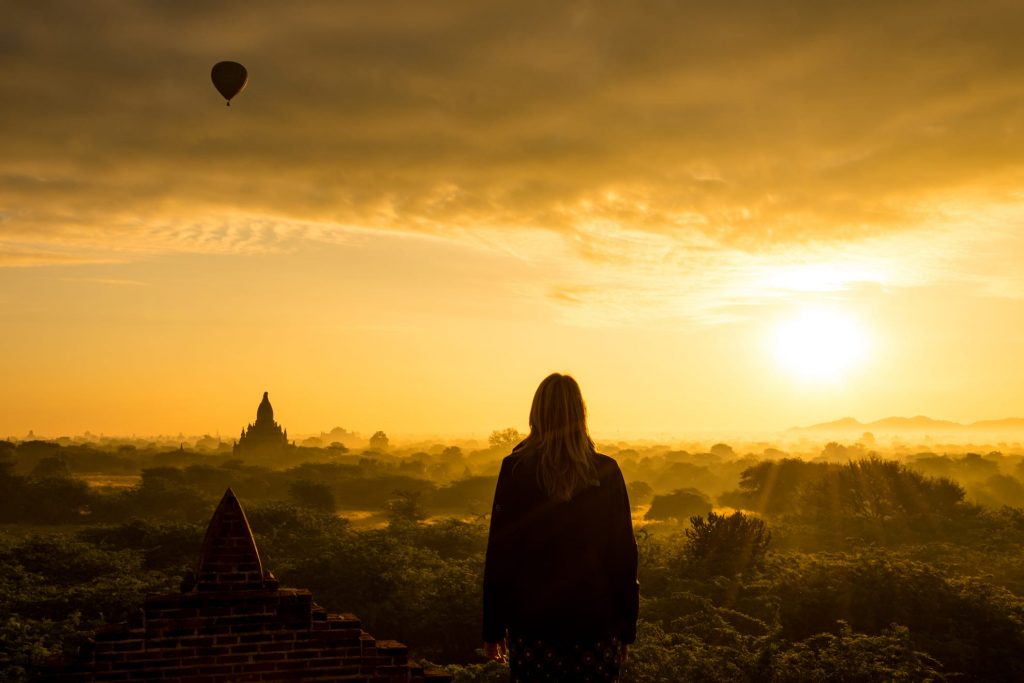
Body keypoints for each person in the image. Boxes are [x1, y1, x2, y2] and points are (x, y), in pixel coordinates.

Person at [482, 373, 639, 682]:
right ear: (581, 414)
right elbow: (623, 555)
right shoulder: (606, 470)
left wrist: (493, 627)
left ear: (536, 414)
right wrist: (626, 627)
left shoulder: (516, 470)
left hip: (533, 626)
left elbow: (501, 555)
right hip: (597, 623)